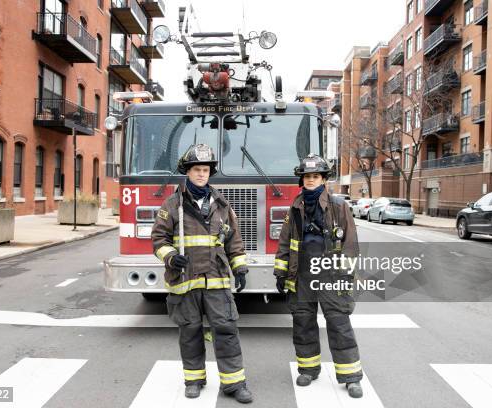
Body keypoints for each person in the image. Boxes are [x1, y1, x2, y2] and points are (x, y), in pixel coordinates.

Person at [151, 144, 253, 403]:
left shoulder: (220, 204)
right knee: (190, 331)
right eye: (196, 169)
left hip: (216, 280)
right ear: (188, 171)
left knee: (226, 329)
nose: (201, 174)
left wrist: (239, 266)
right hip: (185, 281)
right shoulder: (172, 204)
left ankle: (234, 383)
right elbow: (159, 239)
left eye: (205, 170)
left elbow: (234, 240)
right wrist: (172, 257)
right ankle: (194, 379)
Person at [274, 153, 364, 398]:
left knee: (338, 323)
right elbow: (284, 244)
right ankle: (308, 369)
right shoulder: (294, 208)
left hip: (331, 274)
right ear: (301, 181)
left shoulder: (338, 206)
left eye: (315, 176)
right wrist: (281, 273)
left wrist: (345, 274)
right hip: (301, 273)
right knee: (303, 322)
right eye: (307, 177)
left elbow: (350, 244)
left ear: (323, 179)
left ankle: (351, 376)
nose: (311, 180)